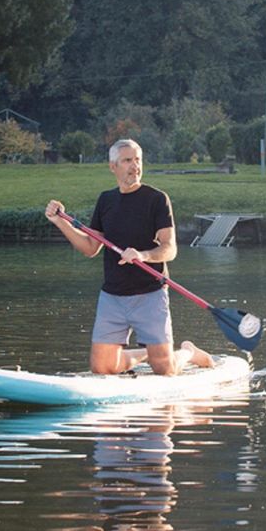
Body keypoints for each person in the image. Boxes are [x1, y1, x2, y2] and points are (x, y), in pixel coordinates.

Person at [45, 138, 215, 376]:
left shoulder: (156, 199)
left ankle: (188, 352)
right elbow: (91, 247)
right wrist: (59, 222)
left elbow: (170, 249)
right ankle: (146, 352)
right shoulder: (106, 200)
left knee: (165, 370)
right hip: (112, 296)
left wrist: (142, 255)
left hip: (150, 294)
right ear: (113, 166)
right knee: (102, 368)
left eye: (138, 160)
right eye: (127, 160)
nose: (135, 166)